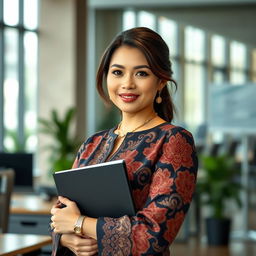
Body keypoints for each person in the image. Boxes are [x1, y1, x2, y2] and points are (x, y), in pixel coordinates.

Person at [50, 27, 198, 256]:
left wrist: (79, 224)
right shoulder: (93, 143)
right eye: (117, 72)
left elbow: (155, 234)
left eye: (141, 73)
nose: (127, 83)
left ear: (160, 81)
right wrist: (68, 239)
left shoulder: (174, 140)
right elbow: (61, 215)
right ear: (106, 76)